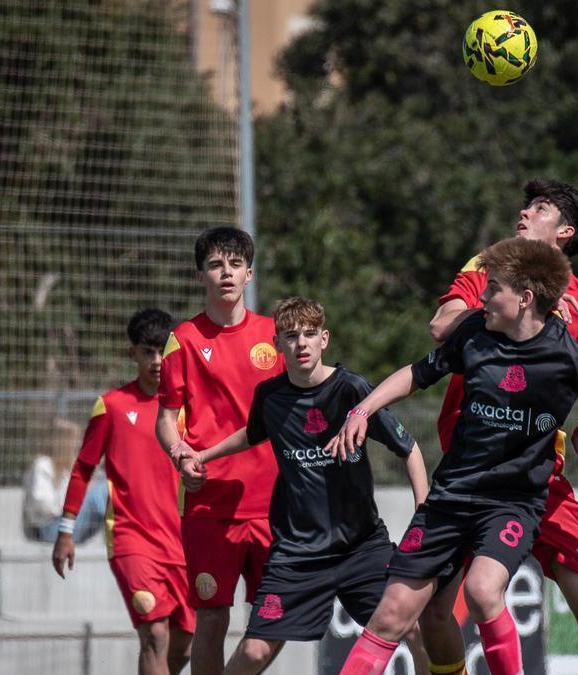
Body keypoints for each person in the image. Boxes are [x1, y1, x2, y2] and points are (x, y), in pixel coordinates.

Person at [331, 238, 578, 675]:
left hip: (511, 502)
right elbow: (417, 373)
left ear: (525, 299)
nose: (482, 298)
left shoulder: (567, 354)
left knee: (483, 591)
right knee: (393, 612)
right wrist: (363, 408)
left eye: (492, 290)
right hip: (450, 496)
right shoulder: (474, 335)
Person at [423, 179, 578, 675]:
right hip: (468, 476)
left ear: (566, 231)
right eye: (526, 204)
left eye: (539, 208)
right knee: (431, 613)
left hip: (537, 479)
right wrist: (502, 305)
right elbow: (441, 323)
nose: (523, 212)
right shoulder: (488, 267)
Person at [179, 297, 430, 674]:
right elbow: (251, 435)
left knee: (414, 628)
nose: (301, 343)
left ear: (324, 339)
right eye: (291, 336)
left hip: (361, 548)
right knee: (253, 653)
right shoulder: (271, 396)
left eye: (310, 334)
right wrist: (204, 454)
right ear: (277, 344)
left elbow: (409, 449)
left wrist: (424, 512)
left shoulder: (353, 391)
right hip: (298, 554)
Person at [155, 227, 284, 675]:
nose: (225, 272)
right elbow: (166, 420)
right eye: (215, 264)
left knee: (274, 620)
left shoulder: (277, 335)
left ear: (249, 273)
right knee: (211, 618)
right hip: (210, 505)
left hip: (277, 504)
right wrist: (180, 455)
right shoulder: (183, 339)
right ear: (200, 276)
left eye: (234, 264)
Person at [52, 309, 193, 675]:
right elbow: (84, 467)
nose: (157, 361)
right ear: (132, 353)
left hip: (184, 543)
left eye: (163, 351)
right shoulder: (112, 406)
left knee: (184, 644)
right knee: (155, 636)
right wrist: (66, 530)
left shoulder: (187, 409)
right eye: (148, 351)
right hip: (133, 541)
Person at [22, 418, 107, 544]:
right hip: (51, 528)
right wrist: (76, 500)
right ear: (64, 442)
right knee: (102, 490)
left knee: (107, 484)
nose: (78, 444)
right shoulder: (42, 465)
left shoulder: (67, 467)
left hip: (68, 523)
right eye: (76, 440)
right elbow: (44, 504)